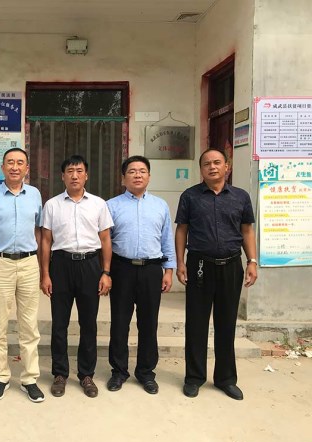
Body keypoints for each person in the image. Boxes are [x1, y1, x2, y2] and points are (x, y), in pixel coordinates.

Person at [175, 148, 258, 401]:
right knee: (196, 323)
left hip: (231, 265)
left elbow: (247, 231)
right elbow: (182, 230)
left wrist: (252, 261)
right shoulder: (190, 196)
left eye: (217, 162)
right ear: (201, 169)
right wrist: (180, 262)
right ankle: (194, 377)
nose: (212, 167)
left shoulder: (241, 197)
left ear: (227, 167)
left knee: (226, 323)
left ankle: (225, 379)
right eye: (207, 164)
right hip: (199, 265)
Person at [0, 148, 44, 403]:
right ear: (2, 167)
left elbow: (38, 231)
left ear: (27, 168)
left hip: (28, 263)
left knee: (29, 325)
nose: (15, 167)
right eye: (10, 162)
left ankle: (29, 378)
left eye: (20, 163)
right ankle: (1, 377)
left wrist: (41, 266)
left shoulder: (35, 194)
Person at [41, 155, 112, 398]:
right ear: (62, 176)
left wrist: (106, 272)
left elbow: (105, 239)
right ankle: (60, 373)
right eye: (70, 171)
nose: (74, 175)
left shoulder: (99, 204)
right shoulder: (52, 205)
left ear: (86, 175)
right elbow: (46, 241)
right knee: (59, 323)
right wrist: (45, 274)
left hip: (90, 265)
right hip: (61, 265)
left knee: (88, 323)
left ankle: (86, 374)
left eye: (79, 171)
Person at [105, 155, 176, 395]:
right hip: (122, 268)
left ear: (149, 176)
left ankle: (146, 372)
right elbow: (105, 242)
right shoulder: (111, 206)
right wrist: (106, 272)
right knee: (119, 322)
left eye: (142, 171)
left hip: (151, 270)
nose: (137, 175)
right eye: (132, 171)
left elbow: (166, 239)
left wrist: (169, 270)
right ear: (123, 178)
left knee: (149, 323)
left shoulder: (160, 205)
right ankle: (118, 371)